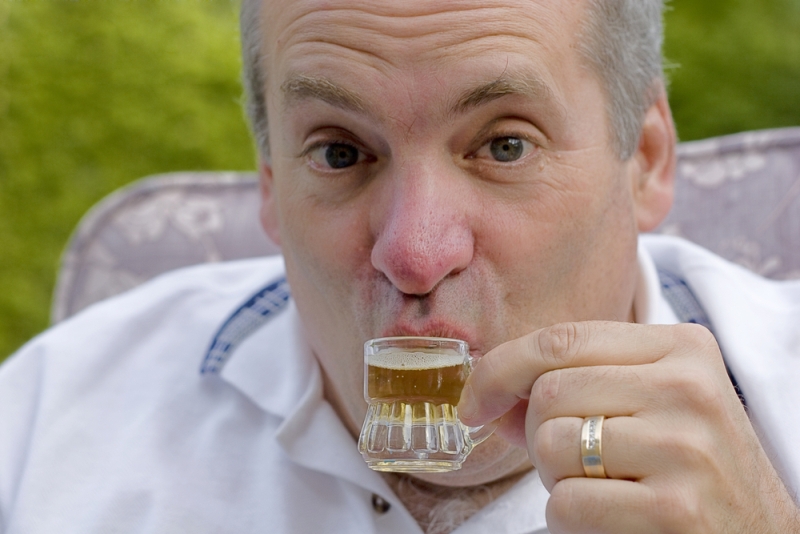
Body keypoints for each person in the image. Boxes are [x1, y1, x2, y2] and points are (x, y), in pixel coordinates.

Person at [1, 0, 799, 532]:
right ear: (272, 185)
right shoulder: (48, 422)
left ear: (647, 160)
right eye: (342, 152)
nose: (415, 256)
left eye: (504, 144)